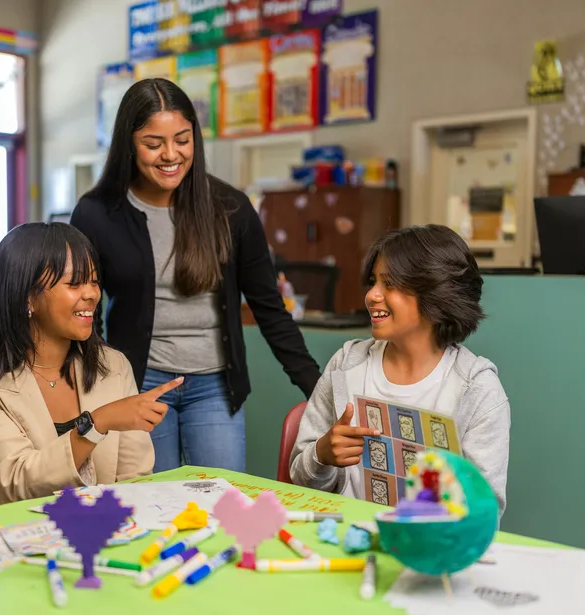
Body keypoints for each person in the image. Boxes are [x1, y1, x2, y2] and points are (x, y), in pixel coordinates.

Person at [70, 78, 321, 473]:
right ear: (128, 143)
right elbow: (86, 310)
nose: (171, 155)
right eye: (154, 144)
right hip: (140, 383)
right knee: (153, 504)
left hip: (214, 387)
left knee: (221, 502)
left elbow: (270, 309)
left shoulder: (230, 208)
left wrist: (319, 389)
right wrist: (95, 387)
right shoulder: (97, 213)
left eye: (182, 140)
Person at [0, 222, 183, 504]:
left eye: (94, 281)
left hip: (109, 532)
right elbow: (18, 481)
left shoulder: (114, 367)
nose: (92, 294)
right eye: (75, 283)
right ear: (27, 297)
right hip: (26, 534)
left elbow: (135, 479)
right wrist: (97, 424)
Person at [289, 225, 511, 516]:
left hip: (428, 554)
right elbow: (299, 479)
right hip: (344, 538)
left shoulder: (477, 389)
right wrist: (322, 455)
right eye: (373, 282)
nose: (372, 296)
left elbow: (485, 514)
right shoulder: (346, 364)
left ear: (436, 293)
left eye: (390, 284)